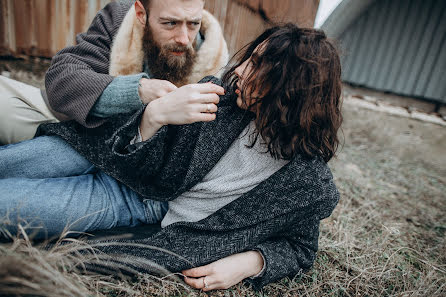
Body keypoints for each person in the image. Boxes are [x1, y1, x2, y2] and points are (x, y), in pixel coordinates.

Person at [0, 24, 342, 291]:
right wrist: (155, 116)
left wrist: (251, 262)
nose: (240, 71)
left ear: (292, 92)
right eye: (251, 58)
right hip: (99, 147)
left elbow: (301, 247)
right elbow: (130, 147)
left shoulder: (306, 184)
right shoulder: (220, 99)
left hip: (132, 197)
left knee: (8, 207)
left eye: (258, 68)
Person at [0, 0, 228, 145]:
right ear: (141, 14)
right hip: (66, 120)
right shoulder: (118, 19)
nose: (183, 38)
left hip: (117, 161)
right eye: (170, 23)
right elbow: (62, 78)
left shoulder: (216, 62)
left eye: (193, 24)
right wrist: (137, 90)